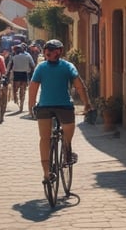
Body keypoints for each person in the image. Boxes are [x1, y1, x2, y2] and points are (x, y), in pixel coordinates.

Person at [28, 39, 91, 183]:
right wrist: (87, 103)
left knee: (44, 139)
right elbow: (80, 87)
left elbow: (33, 87)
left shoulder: (41, 68)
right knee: (68, 130)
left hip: (44, 107)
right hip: (64, 107)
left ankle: (46, 173)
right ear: (60, 52)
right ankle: (67, 150)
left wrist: (31, 106)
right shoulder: (68, 66)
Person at [7, 44, 36, 113]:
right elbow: (33, 65)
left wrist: (7, 73)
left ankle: (16, 99)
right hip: (25, 74)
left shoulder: (14, 57)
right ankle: (22, 103)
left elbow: (9, 66)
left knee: (15, 89)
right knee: (23, 89)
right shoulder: (28, 56)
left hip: (16, 74)